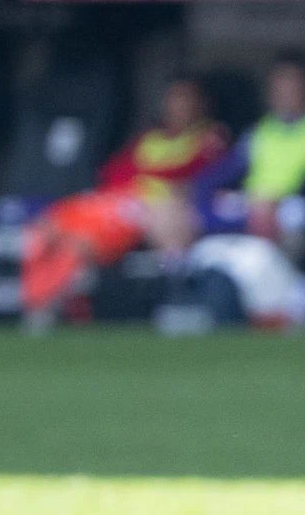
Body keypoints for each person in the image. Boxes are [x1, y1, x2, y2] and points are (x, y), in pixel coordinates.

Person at [20, 76, 226, 332]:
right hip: (119, 200)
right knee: (41, 230)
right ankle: (36, 301)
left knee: (78, 243)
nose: (179, 106)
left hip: (153, 208)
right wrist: (145, 176)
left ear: (200, 104)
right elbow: (114, 172)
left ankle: (48, 305)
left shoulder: (209, 137)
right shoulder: (150, 138)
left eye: (186, 99)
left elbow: (192, 170)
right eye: (174, 99)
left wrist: (146, 176)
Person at [217, 57, 305, 267]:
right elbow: (227, 172)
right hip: (256, 207)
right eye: (281, 87)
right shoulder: (257, 132)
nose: (287, 93)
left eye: (295, 85)